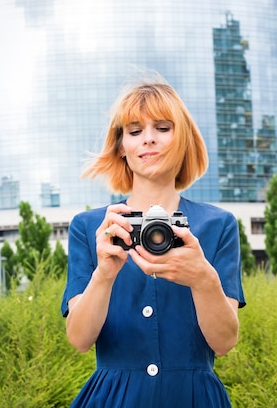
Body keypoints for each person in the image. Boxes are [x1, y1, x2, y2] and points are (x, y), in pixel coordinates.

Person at [61, 75, 246, 408]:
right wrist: (103, 274)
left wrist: (202, 279)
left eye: (162, 128)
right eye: (134, 131)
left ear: (183, 138)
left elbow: (223, 343)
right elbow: (79, 339)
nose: (148, 140)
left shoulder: (218, 226)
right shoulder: (91, 227)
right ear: (121, 147)